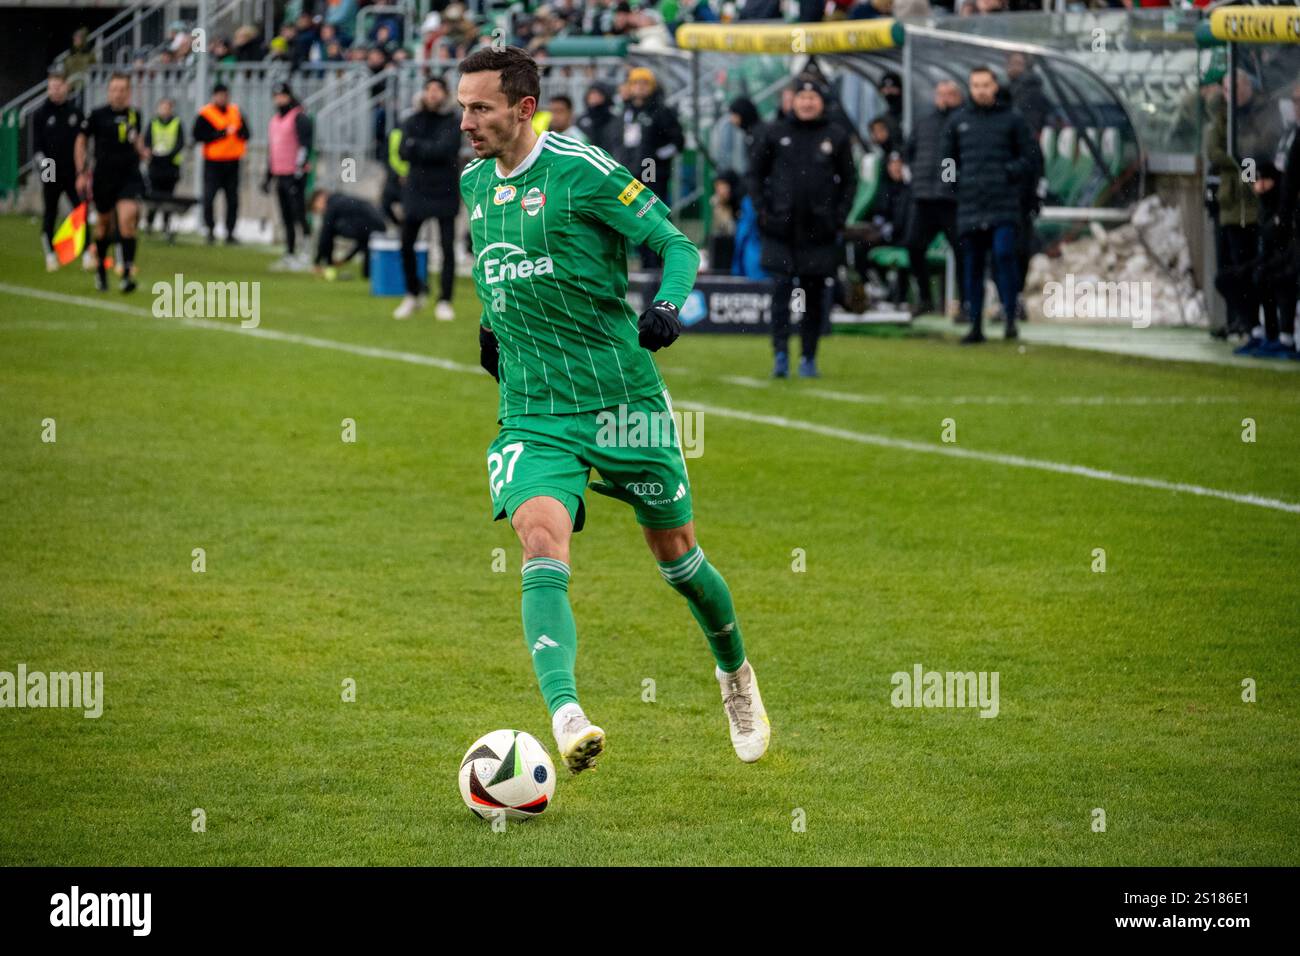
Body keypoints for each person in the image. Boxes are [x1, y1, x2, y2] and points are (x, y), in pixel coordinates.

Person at [456, 46, 770, 774]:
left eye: (480, 108)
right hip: (534, 408)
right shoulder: (475, 184)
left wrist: (666, 304)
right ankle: (567, 716)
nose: (465, 121)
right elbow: (495, 265)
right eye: (462, 107)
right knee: (541, 537)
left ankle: (736, 679)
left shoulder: (582, 170)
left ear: (524, 109)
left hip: (622, 400)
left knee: (678, 556)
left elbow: (674, 244)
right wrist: (490, 324)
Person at [748, 73, 857, 378]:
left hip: (819, 232)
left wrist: (839, 216)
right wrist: (763, 212)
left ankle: (809, 357)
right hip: (780, 230)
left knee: (813, 297)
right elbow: (754, 175)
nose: (807, 103)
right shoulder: (774, 133)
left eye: (813, 98)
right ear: (791, 101)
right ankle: (780, 355)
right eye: (802, 97)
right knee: (781, 293)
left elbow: (850, 181)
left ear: (821, 102)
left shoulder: (835, 136)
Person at [941, 65, 1033, 344]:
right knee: (973, 265)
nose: (981, 90)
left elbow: (1029, 157)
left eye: (985, 84)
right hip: (970, 203)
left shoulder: (1013, 119)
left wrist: (1009, 174)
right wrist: (954, 186)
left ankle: (1008, 316)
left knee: (1004, 256)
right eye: (975, 85)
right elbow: (947, 161)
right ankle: (976, 325)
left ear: (995, 86)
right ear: (970, 88)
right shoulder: (958, 121)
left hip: (1002, 202)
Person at [75, 72, 148, 293]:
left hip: (129, 176)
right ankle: (101, 272)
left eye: (122, 89)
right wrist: (81, 171)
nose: (118, 94)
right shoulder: (97, 115)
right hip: (104, 177)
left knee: (127, 219)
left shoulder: (135, 114)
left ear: (128, 92)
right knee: (104, 226)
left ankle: (126, 274)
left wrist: (143, 151)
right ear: (109, 91)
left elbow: (136, 139)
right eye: (114, 89)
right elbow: (81, 141)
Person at [395, 76, 461, 321]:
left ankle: (445, 299)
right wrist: (428, 149)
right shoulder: (411, 119)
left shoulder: (453, 120)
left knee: (447, 248)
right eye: (429, 89)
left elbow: (446, 149)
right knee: (406, 243)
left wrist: (419, 148)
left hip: (444, 190)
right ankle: (413, 293)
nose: (433, 94)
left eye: (438, 90)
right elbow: (403, 150)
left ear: (445, 94)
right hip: (416, 190)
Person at [615, 66, 684, 269]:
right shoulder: (626, 111)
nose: (639, 88)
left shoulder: (661, 111)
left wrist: (656, 157)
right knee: (630, 216)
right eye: (635, 83)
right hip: (628, 171)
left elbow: (677, 142)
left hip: (650, 169)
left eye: (644, 83)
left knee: (652, 211)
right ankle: (639, 262)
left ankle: (655, 262)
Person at [1228, 159, 1298, 358]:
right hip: (1235, 219)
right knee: (1236, 275)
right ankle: (1260, 332)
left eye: (1262, 180)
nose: (1258, 186)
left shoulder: (1283, 204)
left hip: (1283, 259)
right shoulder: (1247, 159)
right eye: (1255, 181)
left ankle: (1281, 336)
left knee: (1270, 277)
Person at [905, 79, 963, 318]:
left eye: (950, 94)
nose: (944, 99)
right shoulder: (925, 122)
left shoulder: (963, 121)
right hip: (924, 197)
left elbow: (956, 158)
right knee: (913, 246)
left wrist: (950, 182)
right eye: (941, 94)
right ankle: (926, 298)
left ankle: (965, 303)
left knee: (961, 252)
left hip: (951, 200)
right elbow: (910, 151)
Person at [32, 69, 84, 272]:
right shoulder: (40, 113)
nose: (55, 90)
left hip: (71, 169)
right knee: (50, 212)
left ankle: (86, 251)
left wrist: (82, 169)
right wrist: (46, 169)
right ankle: (50, 254)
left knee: (79, 211)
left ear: (66, 87)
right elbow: (37, 147)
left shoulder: (75, 112)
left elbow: (82, 143)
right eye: (52, 86)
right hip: (51, 168)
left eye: (59, 86)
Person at [263, 83, 313, 269]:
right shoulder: (275, 120)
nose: (279, 99)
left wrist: (299, 170)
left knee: (299, 212)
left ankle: (306, 251)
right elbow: (273, 150)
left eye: (282, 95)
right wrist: (268, 176)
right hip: (280, 172)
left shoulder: (299, 117)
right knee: (286, 216)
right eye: (276, 96)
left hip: (294, 174)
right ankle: (290, 252)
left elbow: (305, 145)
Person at [192, 83, 250, 244]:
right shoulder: (206, 114)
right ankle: (210, 229)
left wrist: (238, 133)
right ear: (214, 96)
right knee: (209, 197)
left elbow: (247, 133)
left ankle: (230, 231)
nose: (222, 98)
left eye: (225, 95)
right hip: (213, 163)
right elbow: (197, 135)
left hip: (232, 162)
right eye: (219, 95)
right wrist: (221, 133)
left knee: (232, 199)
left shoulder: (235, 112)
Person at [309, 188, 387, 278]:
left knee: (330, 229)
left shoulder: (332, 205)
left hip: (372, 227)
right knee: (367, 274)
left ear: (320, 198)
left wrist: (317, 262)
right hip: (378, 226)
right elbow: (362, 239)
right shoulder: (341, 201)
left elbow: (325, 235)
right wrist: (346, 259)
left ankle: (329, 264)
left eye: (316, 207)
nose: (320, 211)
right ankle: (331, 264)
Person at [144, 97, 185, 238]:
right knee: (154, 196)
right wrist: (155, 154)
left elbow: (180, 143)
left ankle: (166, 225)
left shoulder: (177, 123)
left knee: (169, 197)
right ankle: (149, 222)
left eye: (168, 107)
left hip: (171, 166)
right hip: (155, 166)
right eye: (163, 107)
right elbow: (147, 141)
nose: (165, 110)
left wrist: (167, 155)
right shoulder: (153, 123)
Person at [576, 82, 621, 155]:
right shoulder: (581, 120)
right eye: (592, 93)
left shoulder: (613, 119)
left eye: (598, 93)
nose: (594, 96)